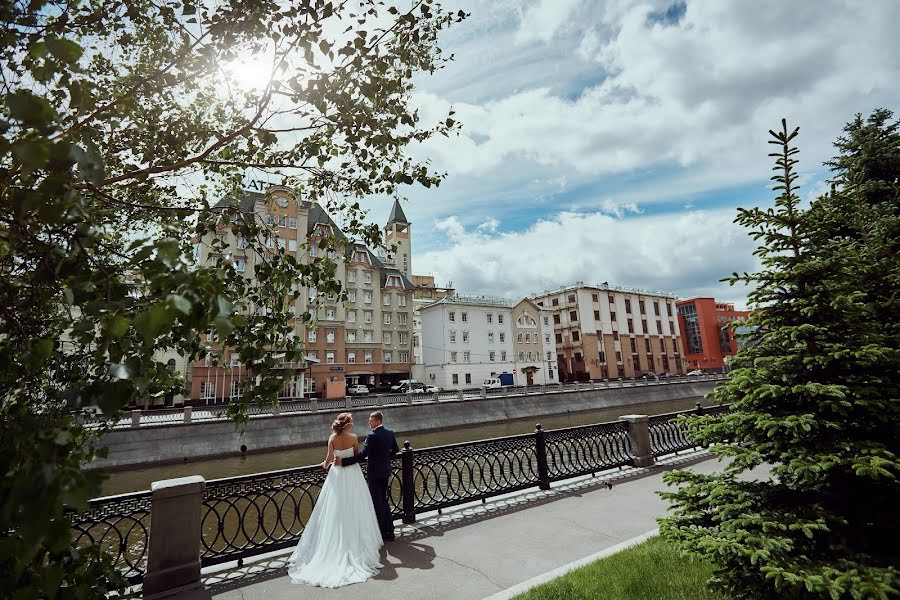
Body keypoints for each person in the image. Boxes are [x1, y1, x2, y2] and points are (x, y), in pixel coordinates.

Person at [287, 413, 383, 588]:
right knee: (356, 505)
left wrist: (324, 465)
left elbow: (328, 460)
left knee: (335, 509)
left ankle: (333, 544)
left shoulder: (332, 438)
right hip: (352, 474)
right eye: (351, 422)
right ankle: (357, 542)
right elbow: (355, 456)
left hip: (337, 475)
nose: (353, 424)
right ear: (347, 425)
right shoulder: (354, 437)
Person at [335, 410, 400, 541]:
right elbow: (396, 450)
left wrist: (344, 462)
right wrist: (385, 459)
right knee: (384, 500)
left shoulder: (372, 436)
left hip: (374, 473)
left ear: (377, 421)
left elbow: (362, 455)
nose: (369, 422)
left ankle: (382, 533)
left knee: (377, 503)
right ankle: (390, 532)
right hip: (386, 471)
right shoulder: (389, 433)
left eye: (371, 420)